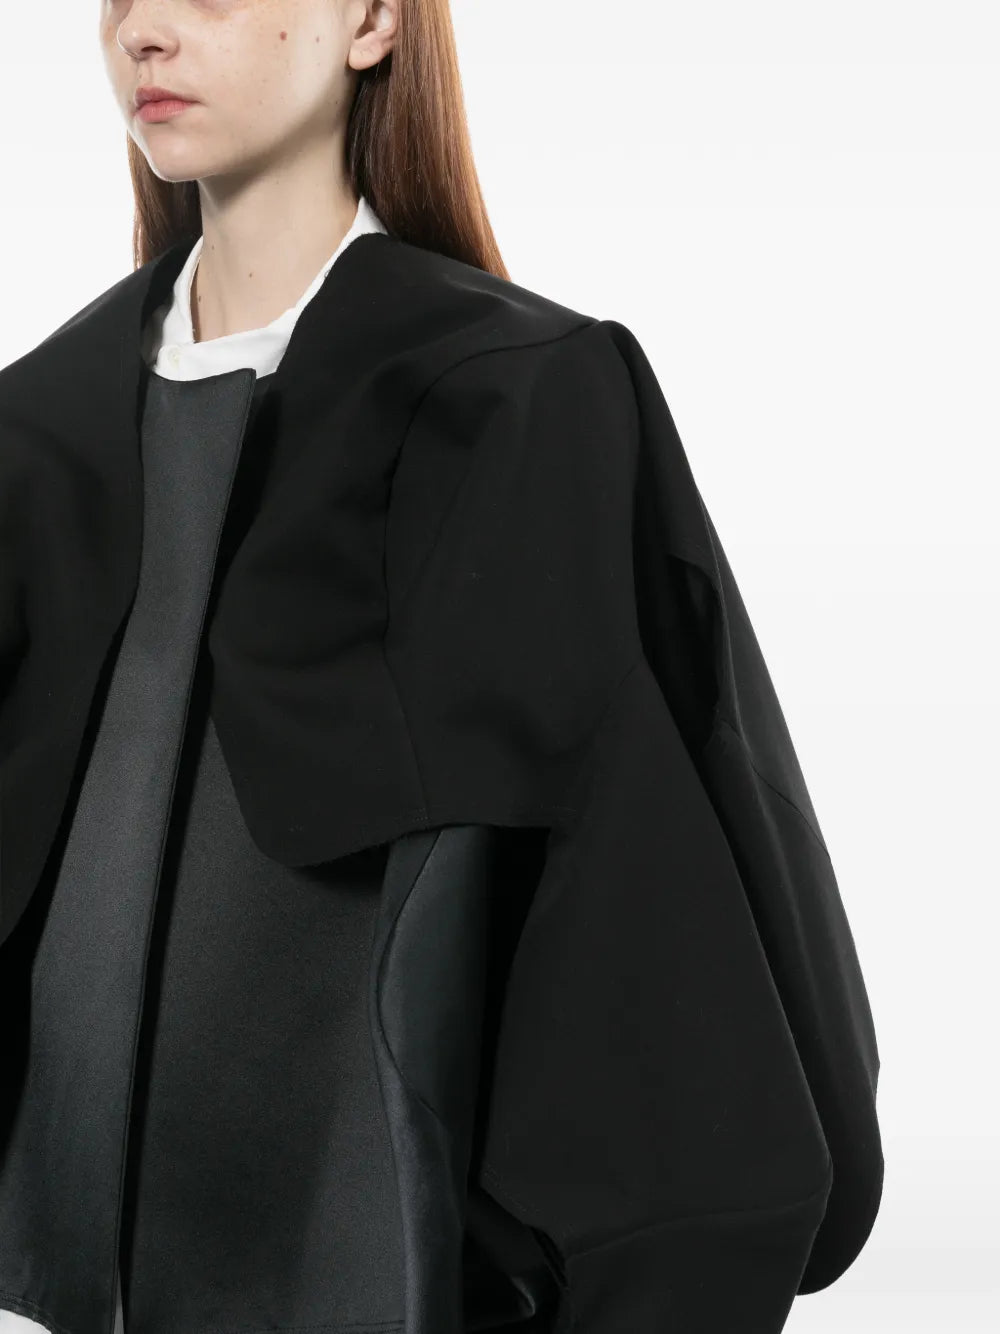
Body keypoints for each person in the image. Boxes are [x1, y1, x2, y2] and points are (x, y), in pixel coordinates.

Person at [0, 3, 884, 1333]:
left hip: (383, 1266)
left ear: (368, 19)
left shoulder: (511, 396)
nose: (146, 34)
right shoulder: (36, 432)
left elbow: (636, 890)